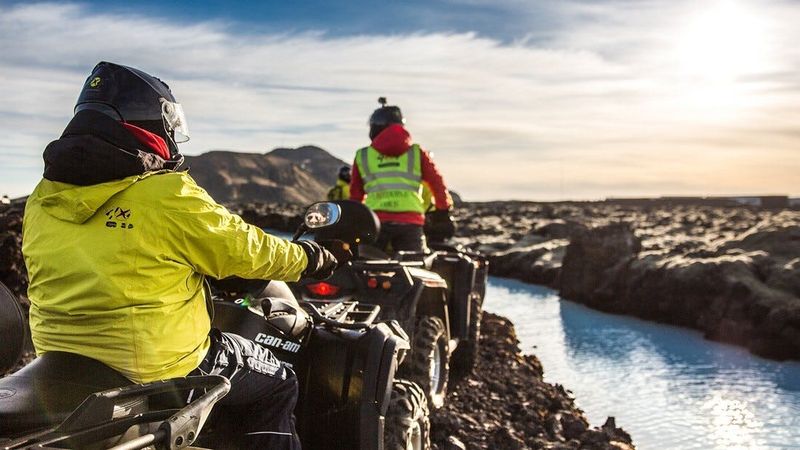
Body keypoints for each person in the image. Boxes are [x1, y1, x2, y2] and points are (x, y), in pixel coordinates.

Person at [21, 61, 338, 450]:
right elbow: (246, 249)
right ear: (151, 121)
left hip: (60, 358)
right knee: (278, 382)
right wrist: (309, 258)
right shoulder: (166, 193)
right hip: (154, 365)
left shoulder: (43, 196)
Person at [349, 97, 453, 253]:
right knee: (415, 265)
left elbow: (355, 195)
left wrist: (354, 220)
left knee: (365, 264)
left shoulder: (363, 155)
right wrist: (442, 211)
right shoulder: (417, 153)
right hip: (411, 222)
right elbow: (437, 182)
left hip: (375, 222)